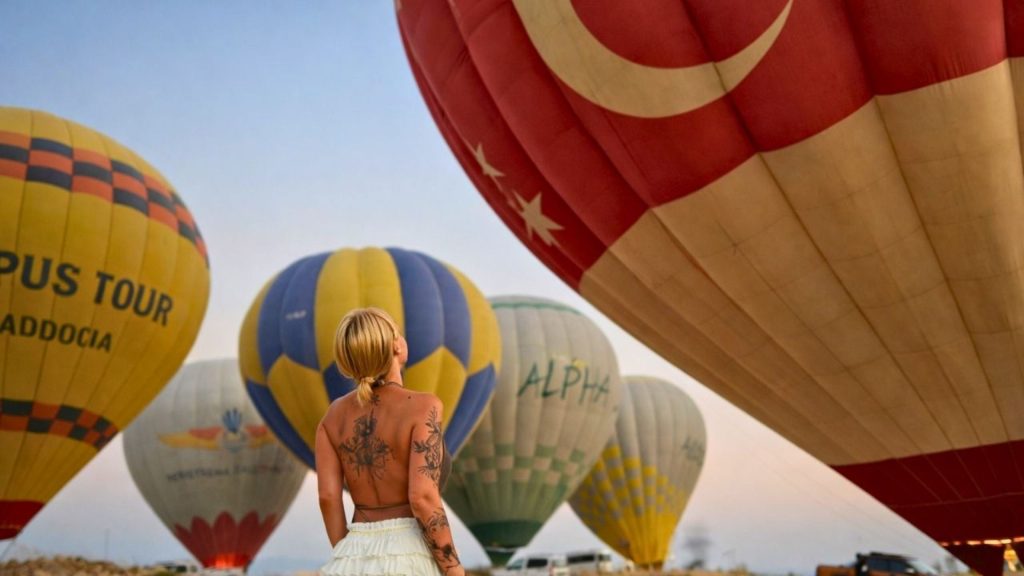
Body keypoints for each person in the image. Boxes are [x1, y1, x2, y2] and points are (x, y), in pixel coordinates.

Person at [316, 307, 462, 576]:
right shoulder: (423, 406)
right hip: (410, 555)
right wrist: (454, 570)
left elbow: (328, 497)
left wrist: (349, 553)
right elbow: (422, 497)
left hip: (353, 553)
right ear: (397, 345)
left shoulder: (331, 417)